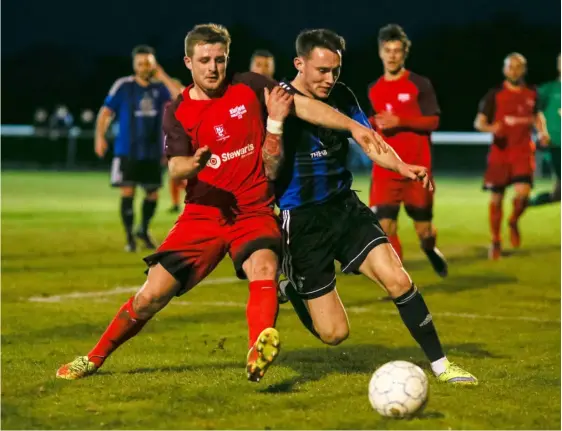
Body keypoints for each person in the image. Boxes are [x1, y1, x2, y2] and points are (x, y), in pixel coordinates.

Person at [56, 23, 388, 383]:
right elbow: (176, 166)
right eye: (204, 60)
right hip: (203, 214)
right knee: (150, 297)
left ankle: (256, 352)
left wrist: (354, 127)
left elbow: (305, 107)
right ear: (188, 62)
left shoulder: (249, 86)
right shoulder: (178, 110)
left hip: (253, 212)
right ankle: (93, 357)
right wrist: (192, 165)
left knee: (264, 267)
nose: (213, 68)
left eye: (219, 59)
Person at [276, 29, 477, 385]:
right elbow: (304, 115)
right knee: (334, 334)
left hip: (344, 208)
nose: (330, 78)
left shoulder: (343, 94)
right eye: (322, 70)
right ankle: (293, 289)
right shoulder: (280, 98)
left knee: (398, 279)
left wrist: (402, 167)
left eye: (335, 70)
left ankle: (443, 366)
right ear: (299, 63)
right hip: (304, 221)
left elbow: (370, 140)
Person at [367, 24, 447, 277]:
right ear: (380, 53)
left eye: (397, 51)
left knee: (424, 232)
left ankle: (430, 249)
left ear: (404, 54)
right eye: (387, 50)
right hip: (385, 170)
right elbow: (368, 121)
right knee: (384, 227)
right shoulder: (373, 89)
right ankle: (400, 283)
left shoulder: (419, 84)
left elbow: (433, 121)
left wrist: (399, 121)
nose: (392, 55)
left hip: (416, 168)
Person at [95, 45, 184, 252]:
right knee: (128, 191)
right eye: (140, 63)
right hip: (127, 149)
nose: (144, 67)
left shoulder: (160, 88)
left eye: (148, 63)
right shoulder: (123, 86)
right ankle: (129, 238)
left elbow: (181, 98)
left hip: (152, 151)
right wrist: (99, 136)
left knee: (152, 193)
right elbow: (106, 112)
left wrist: (162, 75)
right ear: (134, 65)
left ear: (154, 65)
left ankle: (142, 229)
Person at [474, 53, 549, 260]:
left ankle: (514, 220)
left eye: (518, 67)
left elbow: (537, 116)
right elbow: (478, 122)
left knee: (523, 194)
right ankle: (496, 240)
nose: (514, 70)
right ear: (504, 69)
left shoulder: (532, 93)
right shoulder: (494, 95)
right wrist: (490, 128)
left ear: (524, 70)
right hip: (500, 155)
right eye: (510, 67)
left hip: (523, 153)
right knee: (496, 200)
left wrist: (543, 132)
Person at [529, 53, 561, 207]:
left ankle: (525, 203)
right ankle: (524, 202)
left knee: (558, 194)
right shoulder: (549, 89)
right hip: (556, 144)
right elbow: (533, 112)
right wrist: (541, 132)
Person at [165, 78, 188, 213]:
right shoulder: (169, 105)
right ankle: (175, 204)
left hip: (186, 144)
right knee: (175, 177)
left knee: (184, 176)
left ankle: (198, 201)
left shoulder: (186, 98)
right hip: (174, 145)